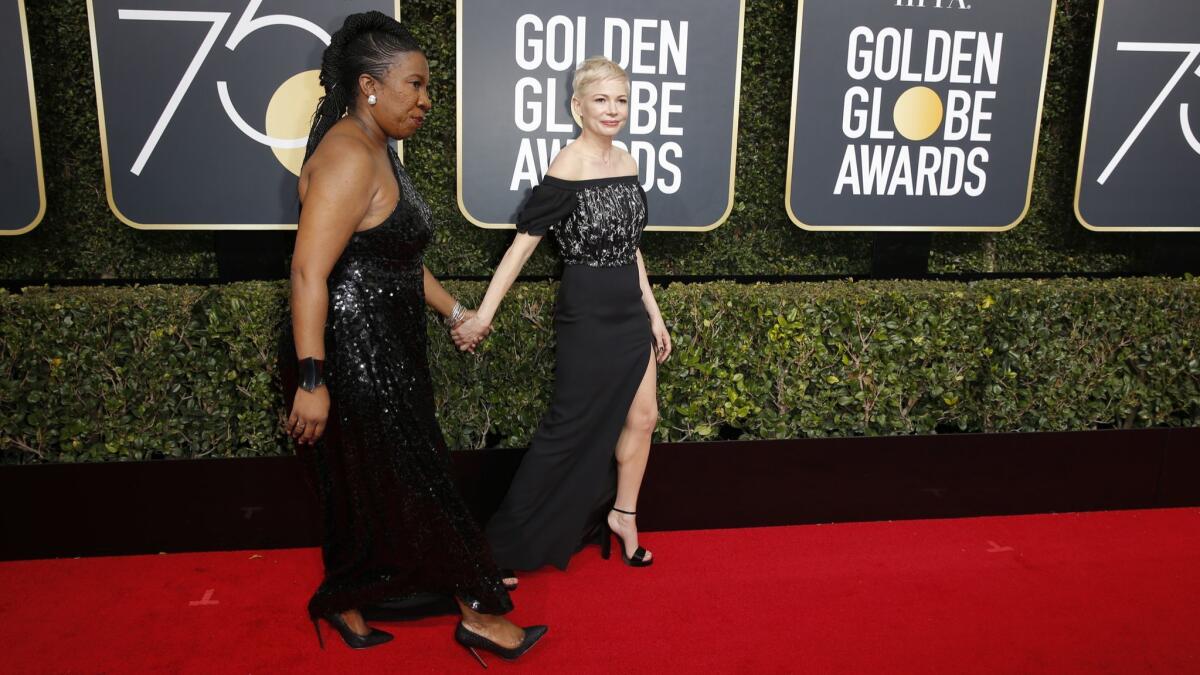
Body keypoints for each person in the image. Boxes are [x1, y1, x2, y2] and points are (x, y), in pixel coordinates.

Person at [282, 11, 545, 665]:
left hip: (387, 347)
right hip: (353, 355)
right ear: (369, 86)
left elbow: (395, 257)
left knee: (366, 481)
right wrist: (313, 379)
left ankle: (347, 596)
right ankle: (477, 610)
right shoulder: (347, 154)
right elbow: (309, 270)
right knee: (420, 477)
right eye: (416, 85)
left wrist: (454, 310)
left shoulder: (374, 149)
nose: (426, 100)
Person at [453, 56, 672, 586]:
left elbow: (631, 246)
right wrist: (484, 312)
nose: (613, 110)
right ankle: (498, 547)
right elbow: (522, 246)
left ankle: (623, 515)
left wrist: (654, 312)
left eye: (621, 99)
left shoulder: (629, 159)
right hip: (586, 308)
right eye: (601, 100)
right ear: (577, 106)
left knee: (644, 418)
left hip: (627, 306)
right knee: (565, 429)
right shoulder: (568, 163)